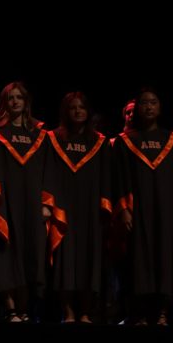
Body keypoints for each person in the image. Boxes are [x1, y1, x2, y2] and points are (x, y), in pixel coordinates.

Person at [116, 88, 173, 326]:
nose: (148, 107)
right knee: (139, 259)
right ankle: (141, 313)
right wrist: (124, 209)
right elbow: (120, 179)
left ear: (160, 108)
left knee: (165, 258)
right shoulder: (125, 142)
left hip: (166, 211)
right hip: (138, 211)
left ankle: (163, 312)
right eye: (144, 103)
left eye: (153, 102)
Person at [44, 91, 112, 324]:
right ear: (66, 112)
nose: (77, 111)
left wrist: (106, 207)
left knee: (88, 259)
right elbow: (48, 174)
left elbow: (106, 177)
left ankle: (85, 311)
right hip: (64, 207)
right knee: (65, 259)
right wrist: (49, 204)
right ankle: (68, 311)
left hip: (90, 209)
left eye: (82, 107)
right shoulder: (53, 139)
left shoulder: (100, 142)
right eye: (73, 107)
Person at [0, 81, 48, 321]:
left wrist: (46, 203)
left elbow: (48, 171)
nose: (15, 102)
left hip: (32, 201)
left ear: (26, 102)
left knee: (30, 253)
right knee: (7, 253)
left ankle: (25, 309)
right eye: (10, 98)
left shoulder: (40, 134)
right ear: (5, 102)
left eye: (19, 98)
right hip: (6, 200)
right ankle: (11, 308)